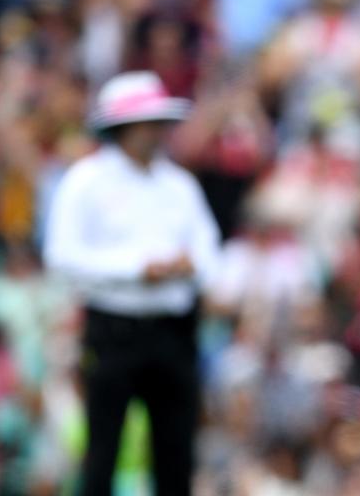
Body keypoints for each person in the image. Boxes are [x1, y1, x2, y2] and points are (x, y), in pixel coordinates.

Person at [44, 71, 220, 496]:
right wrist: (137, 269)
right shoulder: (85, 181)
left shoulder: (178, 184)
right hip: (114, 330)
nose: (155, 131)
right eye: (146, 122)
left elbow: (208, 247)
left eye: (158, 122)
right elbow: (62, 256)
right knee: (103, 449)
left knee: (176, 452)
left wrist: (188, 265)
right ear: (120, 128)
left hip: (173, 331)